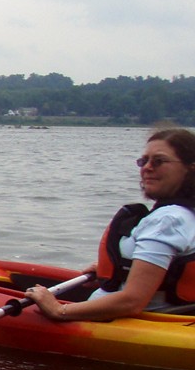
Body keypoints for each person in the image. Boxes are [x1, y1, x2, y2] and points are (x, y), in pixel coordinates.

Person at [28, 125, 195, 320]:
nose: (147, 168)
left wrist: (58, 310)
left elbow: (132, 302)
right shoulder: (186, 215)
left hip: (126, 322)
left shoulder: (168, 220)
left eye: (159, 161)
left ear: (190, 169)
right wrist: (119, 271)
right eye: (143, 161)